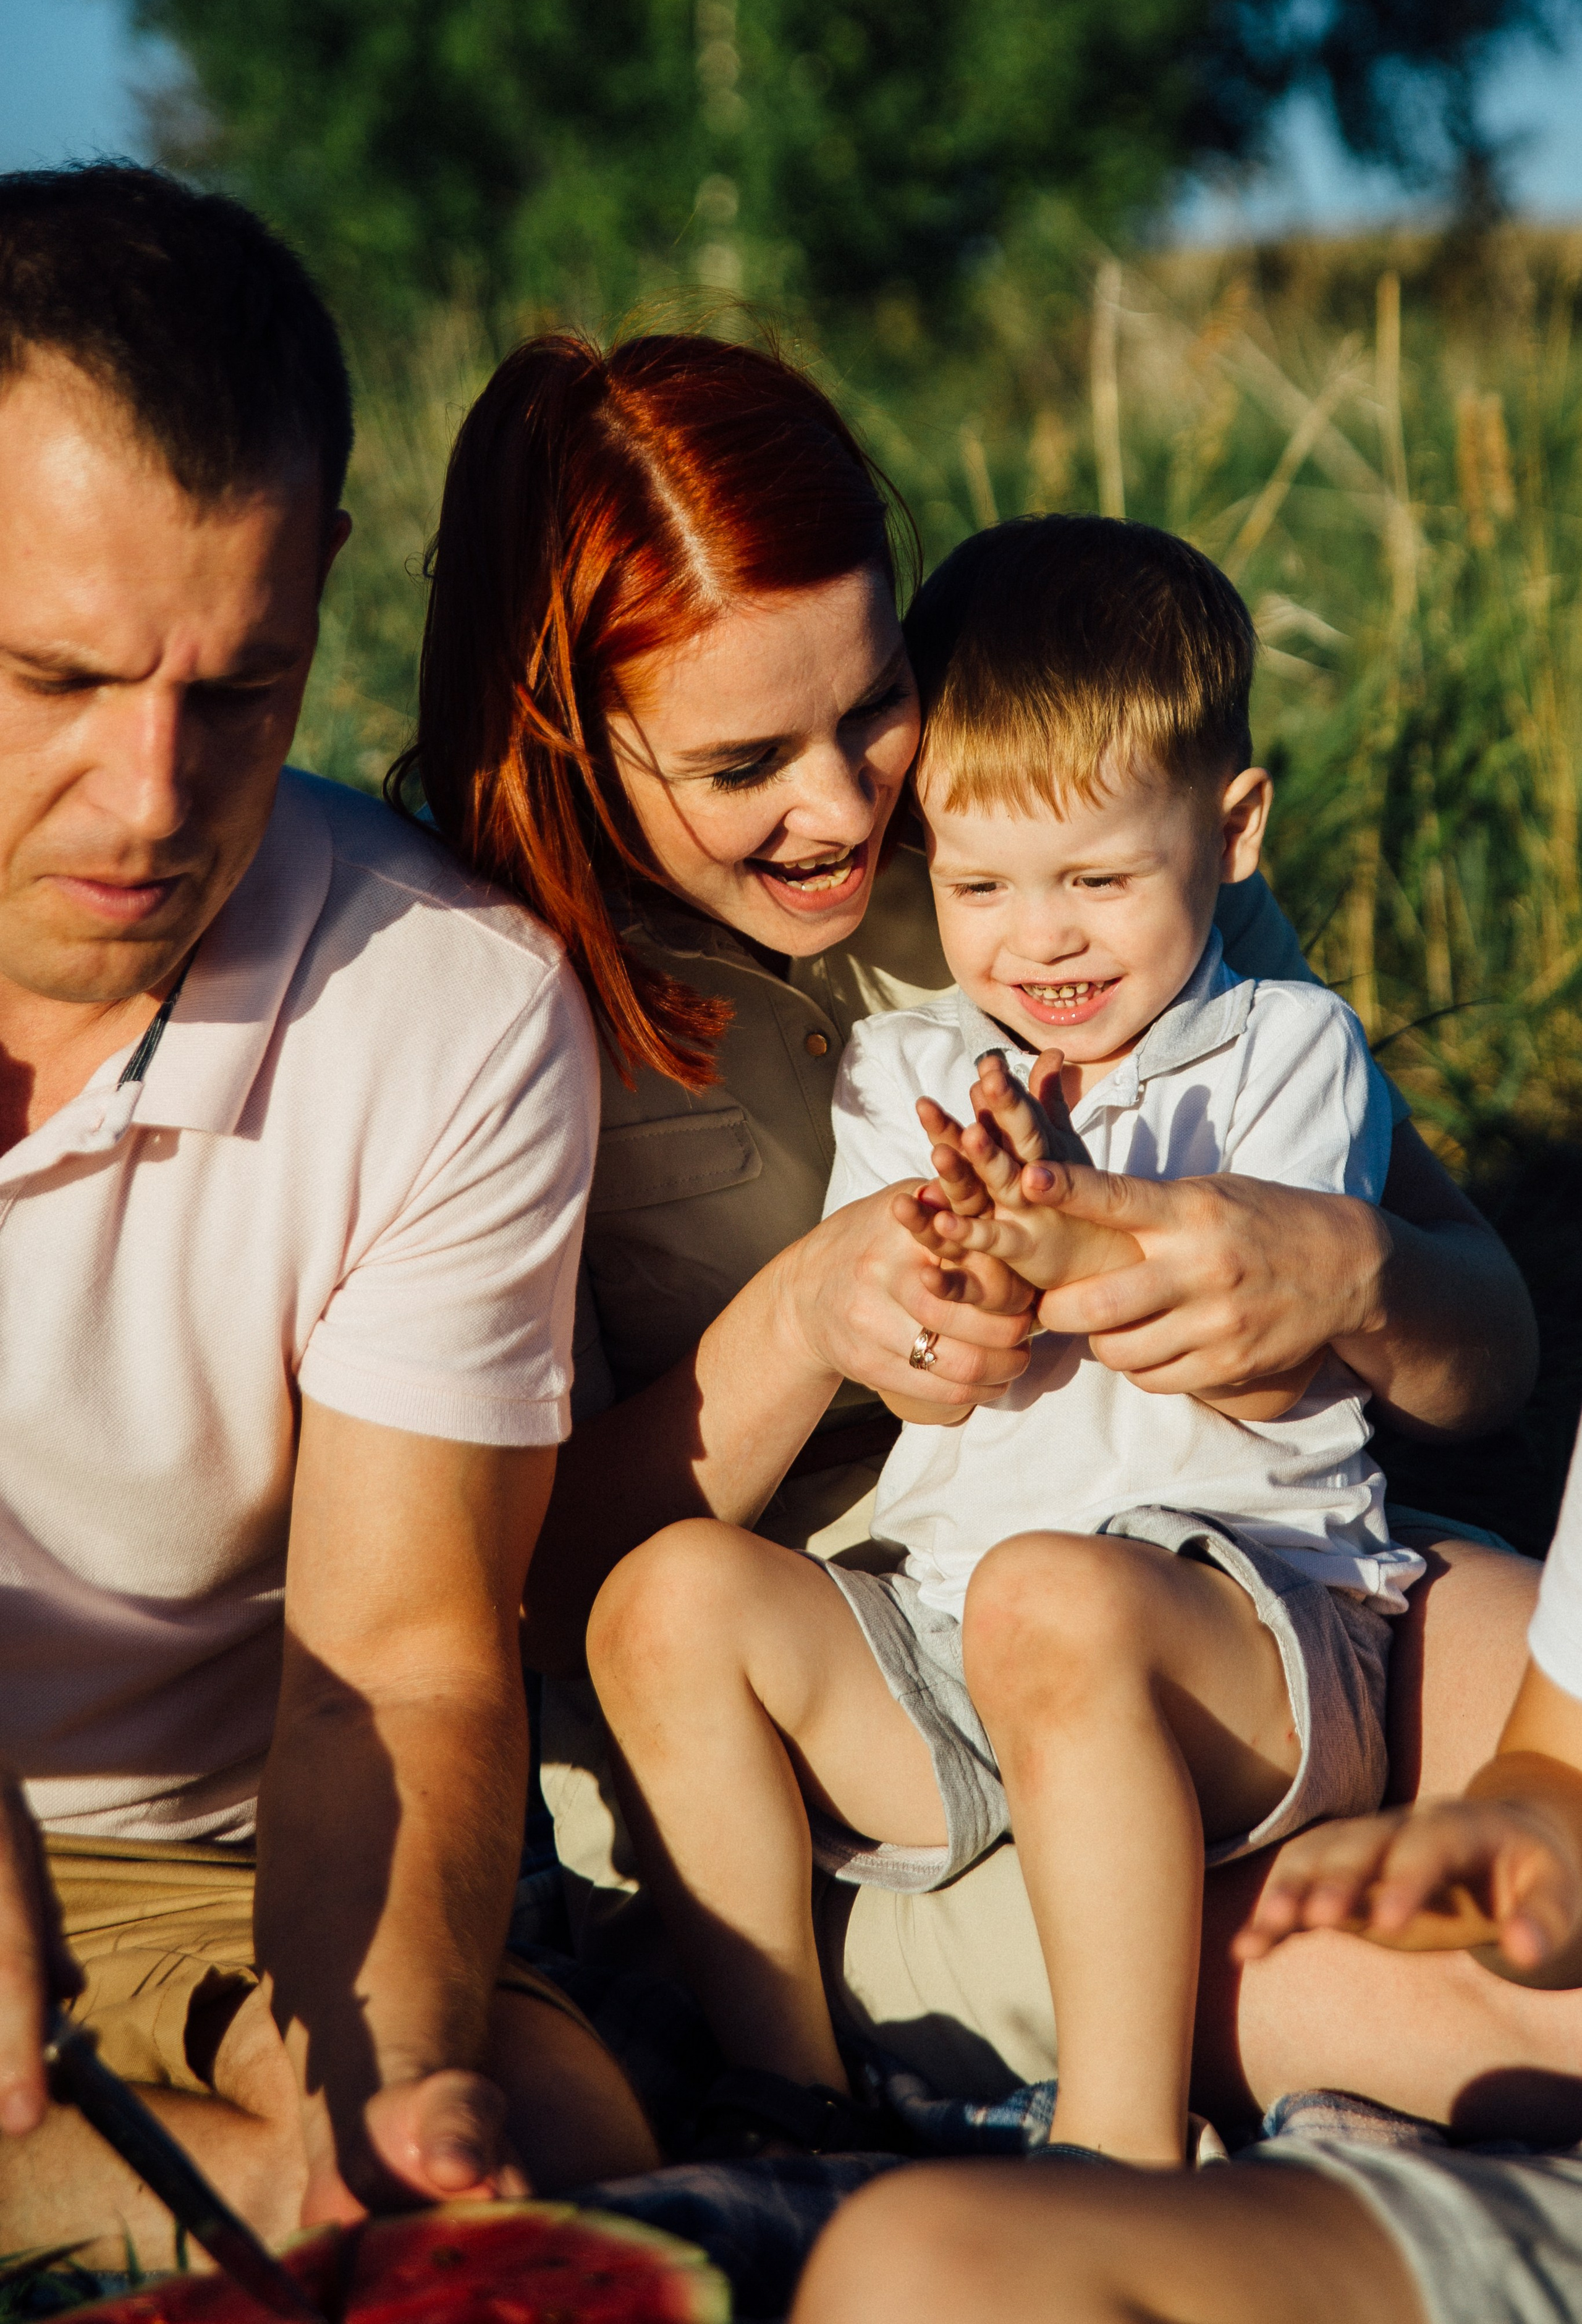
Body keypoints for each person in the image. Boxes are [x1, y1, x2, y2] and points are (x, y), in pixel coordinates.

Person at [402, 327, 1554, 2126]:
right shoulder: (471, 1005)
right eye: (742, 763)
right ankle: (934, 2128)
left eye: (875, 707)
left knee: (1533, 1680)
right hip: (833, 1752)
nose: (848, 808)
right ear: (565, 737)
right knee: (1481, 1995)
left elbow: (1490, 1356)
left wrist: (1356, 1276)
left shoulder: (1050, 827)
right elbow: (507, 1603)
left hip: (1199, 1572)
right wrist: (800, 1326)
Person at [585, 515, 1426, 2165]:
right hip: (955, 1635)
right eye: (978, 887)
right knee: (665, 1600)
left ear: (1233, 832)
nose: (1041, 940)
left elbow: (1267, 1359)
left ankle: (1119, 2153)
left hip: (1244, 1643)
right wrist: (955, 1283)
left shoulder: (1285, 1049)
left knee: (1055, 1596)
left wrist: (1060, 1236)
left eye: (1096, 881)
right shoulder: (907, 1066)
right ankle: (789, 2104)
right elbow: (923, 1356)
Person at [0, 163, 656, 2268]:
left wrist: (386, 2094)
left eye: (239, 691)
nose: (149, 798)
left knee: (531, 2128)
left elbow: (395, 1656)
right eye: (55, 679)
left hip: (197, 1881)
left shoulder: (447, 1007)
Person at [787, 1434, 1582, 2324]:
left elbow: (1475, 1383)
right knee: (926, 2269)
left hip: (1289, 1563)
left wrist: (1534, 1834)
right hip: (892, 1692)